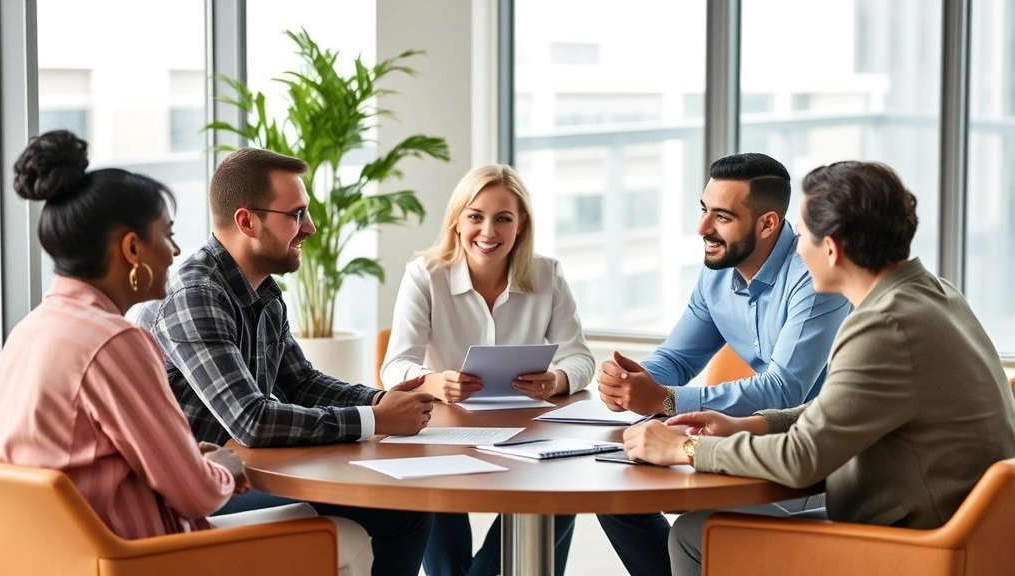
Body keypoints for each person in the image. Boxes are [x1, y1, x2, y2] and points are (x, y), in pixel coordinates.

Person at [620, 161, 1015, 576]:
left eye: (803, 235)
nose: (796, 248)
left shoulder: (880, 327)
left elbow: (802, 459)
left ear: (831, 249)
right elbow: (843, 408)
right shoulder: (934, 294)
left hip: (918, 542)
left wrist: (682, 448)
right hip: (970, 532)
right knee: (712, 520)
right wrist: (750, 425)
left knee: (693, 532)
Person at [135, 147, 433, 576]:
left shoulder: (263, 293)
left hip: (227, 475)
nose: (309, 227)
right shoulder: (194, 296)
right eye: (296, 215)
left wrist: (385, 399)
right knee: (398, 510)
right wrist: (374, 419)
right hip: (181, 498)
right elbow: (252, 422)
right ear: (246, 221)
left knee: (405, 508)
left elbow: (302, 382)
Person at [595, 152, 851, 576]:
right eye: (702, 210)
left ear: (767, 223)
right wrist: (633, 381)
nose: (702, 229)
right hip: (750, 441)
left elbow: (785, 388)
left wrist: (666, 399)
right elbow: (678, 356)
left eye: (722, 217)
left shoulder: (814, 274)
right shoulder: (718, 271)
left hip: (811, 465)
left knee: (689, 527)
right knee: (617, 498)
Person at [381, 164, 595, 576]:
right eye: (476, 216)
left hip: (528, 431)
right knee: (435, 506)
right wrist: (432, 381)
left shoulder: (547, 274)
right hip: (443, 432)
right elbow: (394, 367)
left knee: (561, 496)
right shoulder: (426, 275)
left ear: (521, 225)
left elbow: (581, 358)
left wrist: (559, 379)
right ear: (457, 221)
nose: (488, 232)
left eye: (503, 219)